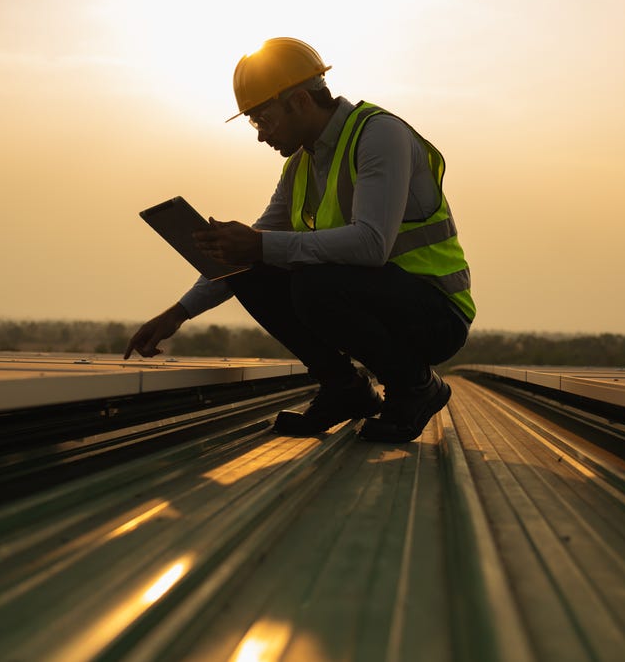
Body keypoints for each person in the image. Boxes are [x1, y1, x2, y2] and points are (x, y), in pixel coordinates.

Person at [125, 37, 474, 443]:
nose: (259, 135)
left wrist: (261, 245)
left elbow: (371, 244)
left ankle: (415, 386)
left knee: (310, 280)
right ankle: (345, 390)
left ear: (301, 102)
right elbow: (253, 251)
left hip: (436, 314)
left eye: (263, 119)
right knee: (249, 268)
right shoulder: (300, 168)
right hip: (377, 301)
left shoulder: (379, 136)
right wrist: (177, 314)